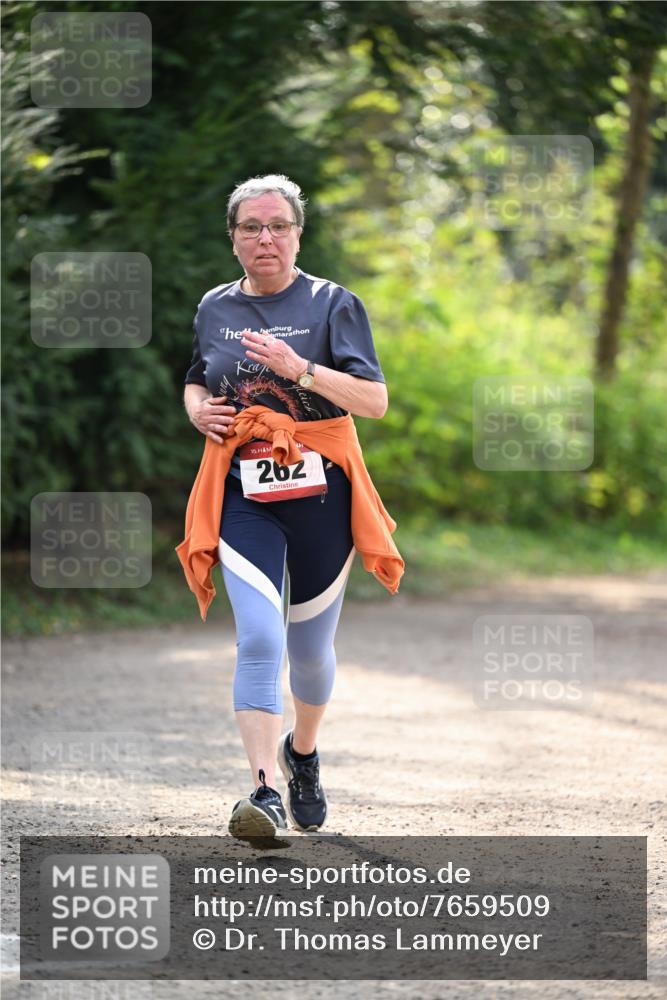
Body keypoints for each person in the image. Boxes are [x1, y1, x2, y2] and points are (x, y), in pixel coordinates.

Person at [181, 173, 399, 844]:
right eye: (251, 226)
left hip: (322, 500)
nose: (265, 237)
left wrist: (296, 367)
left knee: (308, 651)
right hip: (245, 495)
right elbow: (197, 378)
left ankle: (300, 753)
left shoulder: (333, 304)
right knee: (259, 639)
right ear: (234, 237)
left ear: (298, 234)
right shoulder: (214, 307)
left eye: (278, 225)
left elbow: (372, 401)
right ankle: (262, 791)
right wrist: (199, 412)